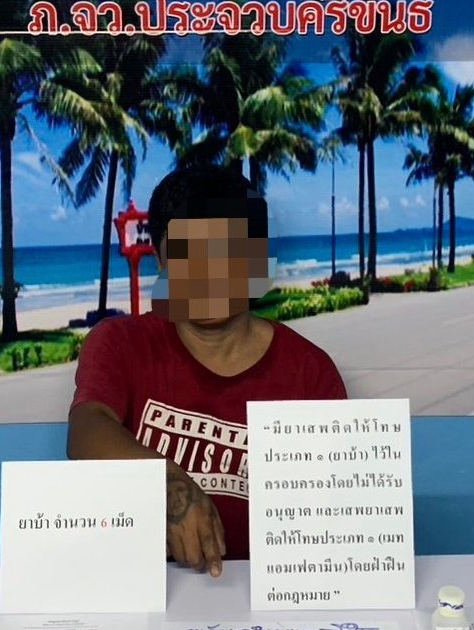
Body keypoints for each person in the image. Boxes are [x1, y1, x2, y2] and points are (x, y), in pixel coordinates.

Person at [67, 165, 347, 578]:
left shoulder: (310, 373)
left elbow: (337, 512)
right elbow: (87, 428)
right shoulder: (120, 344)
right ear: (161, 261)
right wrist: (170, 483)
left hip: (268, 595)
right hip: (151, 594)